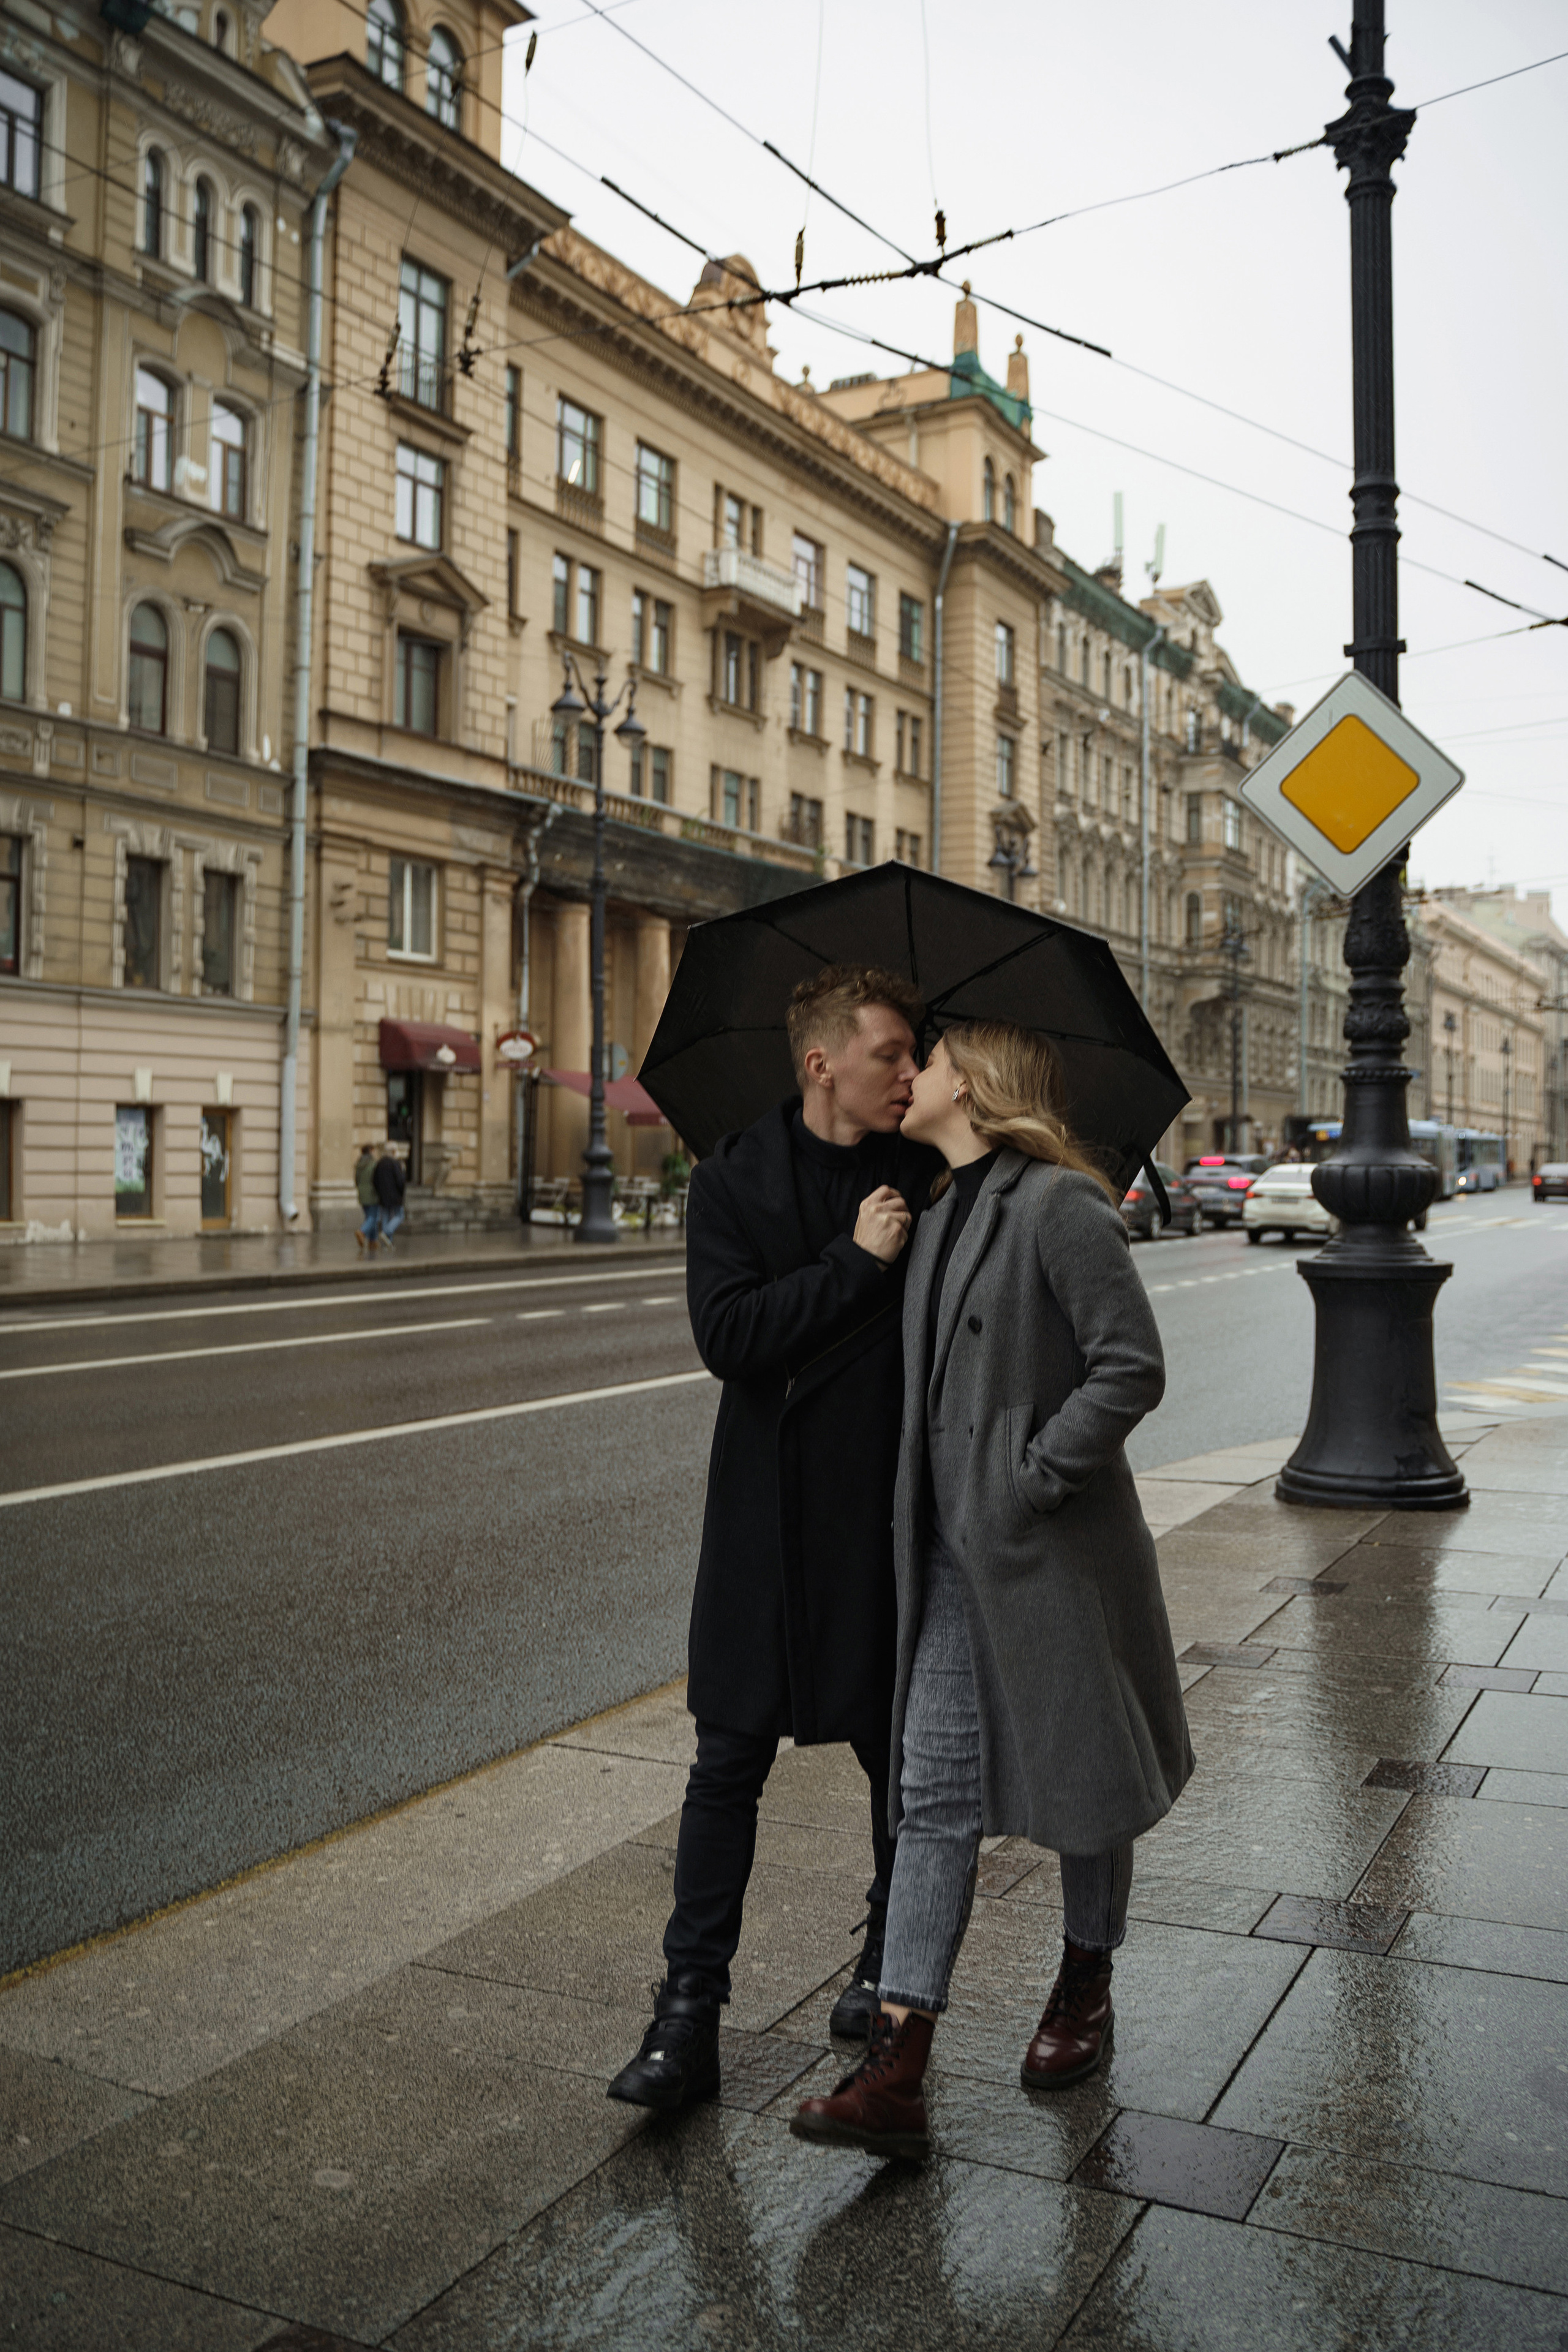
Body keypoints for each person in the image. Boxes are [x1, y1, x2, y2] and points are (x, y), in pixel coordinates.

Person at [791, 1020, 1193, 2163]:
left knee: (1086, 1774)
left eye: (931, 1056)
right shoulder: (930, 1211)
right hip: (949, 1563)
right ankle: (900, 2064)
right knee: (934, 1792)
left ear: (980, 1083)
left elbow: (1132, 1364)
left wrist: (1033, 1477)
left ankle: (1083, 1979)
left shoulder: (1058, 1205)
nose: (908, 1070)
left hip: (1048, 1549)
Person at [607, 965, 943, 2112]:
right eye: (891, 1053)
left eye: (913, 1054)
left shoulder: (928, 1173)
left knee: (895, 1761)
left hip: (885, 1513)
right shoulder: (738, 1177)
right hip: (764, 1515)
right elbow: (731, 1336)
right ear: (822, 1063)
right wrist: (858, 1265)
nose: (911, 1072)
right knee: (726, 1763)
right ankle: (686, 2015)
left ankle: (884, 1970)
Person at [372, 1144, 407, 1250]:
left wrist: (380, 1192)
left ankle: (388, 1243)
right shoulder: (395, 1163)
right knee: (400, 1216)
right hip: (395, 1195)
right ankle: (387, 1232)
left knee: (386, 1217)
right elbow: (400, 1181)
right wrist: (401, 1193)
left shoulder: (379, 1163)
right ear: (393, 1152)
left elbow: (374, 1180)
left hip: (383, 1195)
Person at [354, 1143, 380, 1254]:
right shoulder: (373, 1164)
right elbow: (377, 1180)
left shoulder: (359, 1164)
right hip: (372, 1194)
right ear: (370, 1151)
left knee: (369, 1216)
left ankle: (373, 1241)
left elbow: (356, 1180)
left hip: (362, 1193)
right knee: (373, 1217)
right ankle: (362, 1232)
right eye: (374, 1150)